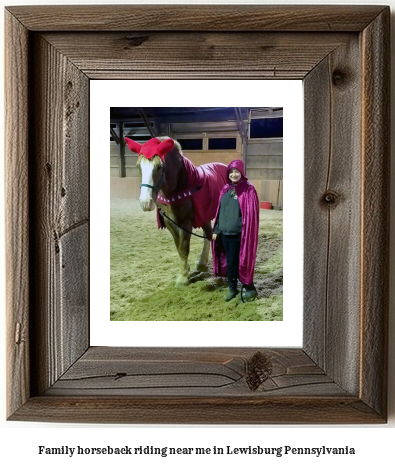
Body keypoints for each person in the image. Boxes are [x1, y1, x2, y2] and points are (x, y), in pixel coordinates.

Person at [212, 160, 259, 302]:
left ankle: (235, 288)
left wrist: (245, 231)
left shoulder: (248, 190)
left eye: (236, 171)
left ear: (242, 173)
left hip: (238, 235)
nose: (234, 174)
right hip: (224, 234)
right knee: (229, 261)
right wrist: (216, 230)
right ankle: (233, 286)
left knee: (234, 261)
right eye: (231, 172)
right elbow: (220, 212)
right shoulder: (225, 189)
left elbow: (250, 214)